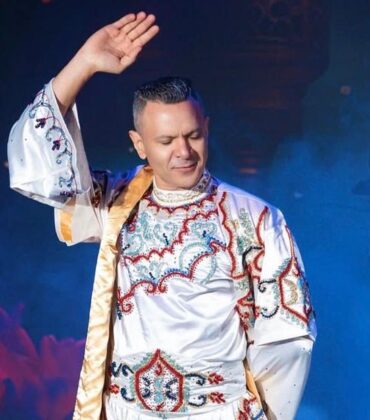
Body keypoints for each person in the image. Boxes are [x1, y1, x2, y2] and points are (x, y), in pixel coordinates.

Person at [7, 12, 316, 420]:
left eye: (193, 135)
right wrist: (83, 64)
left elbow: (287, 339)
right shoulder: (115, 203)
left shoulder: (255, 220)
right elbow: (38, 169)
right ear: (139, 144)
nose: (183, 152)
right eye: (166, 140)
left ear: (207, 128)